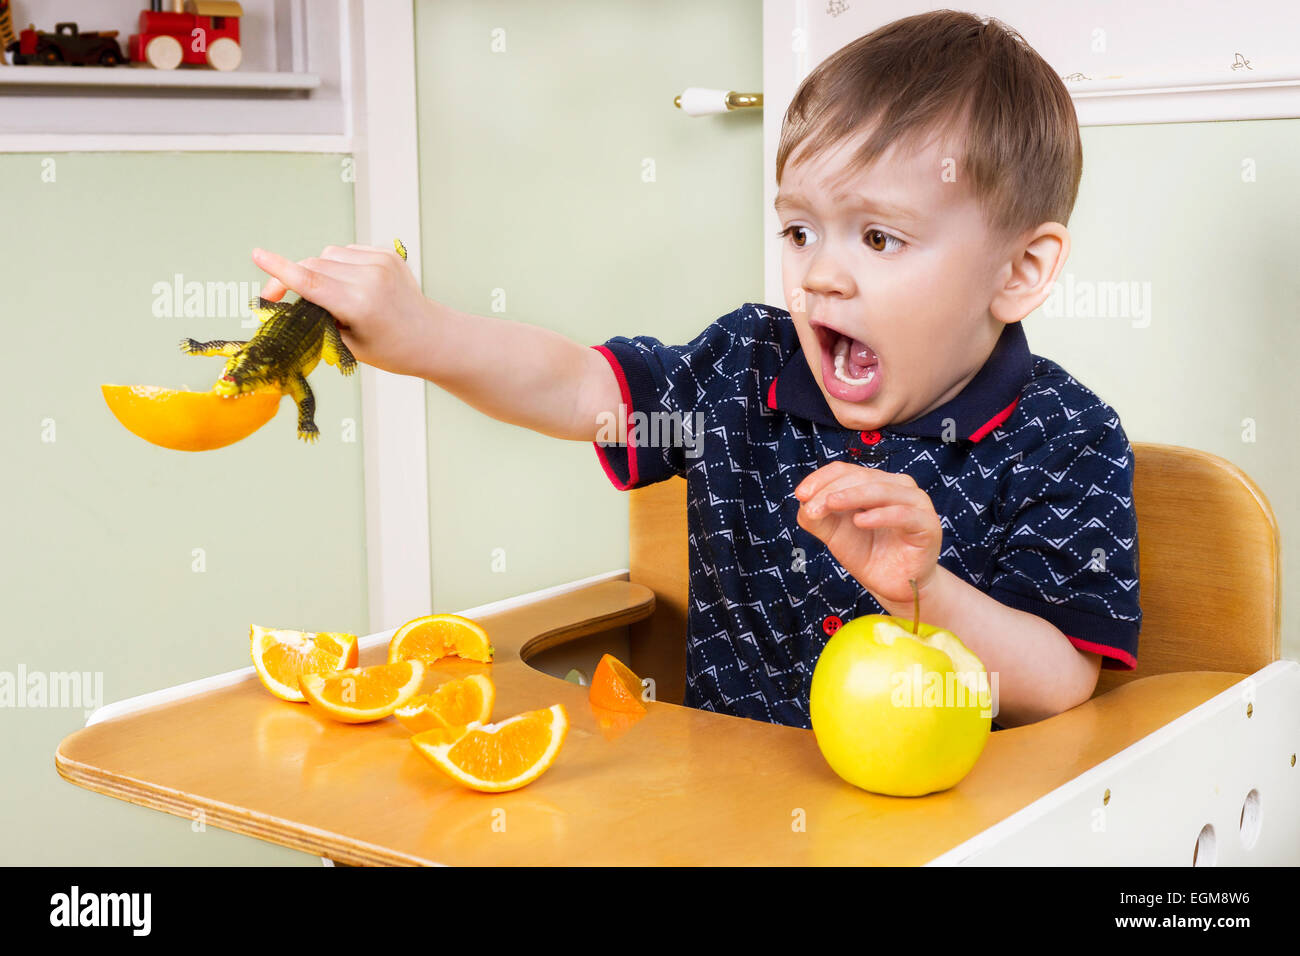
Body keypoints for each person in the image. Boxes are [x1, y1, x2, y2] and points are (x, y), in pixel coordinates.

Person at [251, 10, 1140, 732]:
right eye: (799, 230)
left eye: (879, 237)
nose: (819, 273)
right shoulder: (741, 370)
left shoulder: (1065, 437)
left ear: (1019, 272)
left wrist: (924, 592)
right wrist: (419, 334)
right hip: (719, 820)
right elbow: (577, 390)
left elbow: (1061, 680)